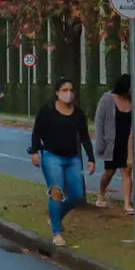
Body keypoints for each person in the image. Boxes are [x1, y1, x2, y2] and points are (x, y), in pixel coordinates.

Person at [30, 76, 96, 247]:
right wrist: (35, 152)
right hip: (51, 156)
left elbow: (84, 137)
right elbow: (37, 132)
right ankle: (57, 233)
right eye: (65, 90)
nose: (68, 94)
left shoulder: (78, 114)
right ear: (57, 92)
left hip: (72, 158)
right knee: (56, 192)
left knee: (76, 194)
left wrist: (91, 158)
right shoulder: (47, 110)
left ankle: (55, 218)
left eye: (71, 90)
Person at [93, 74, 133, 212]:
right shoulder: (107, 99)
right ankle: (101, 193)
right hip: (111, 143)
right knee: (109, 171)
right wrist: (101, 142)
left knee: (127, 171)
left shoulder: (133, 101)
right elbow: (99, 122)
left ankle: (127, 203)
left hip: (127, 142)